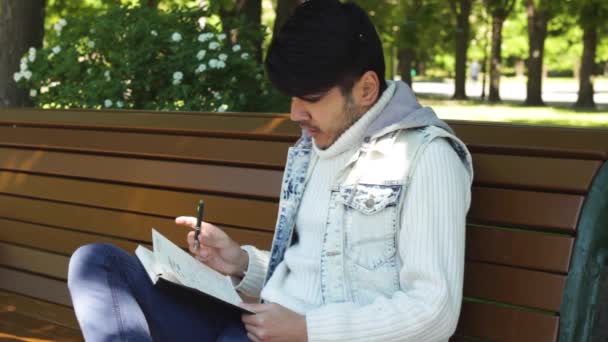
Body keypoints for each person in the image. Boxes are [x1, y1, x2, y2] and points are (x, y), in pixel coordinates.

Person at [67, 1, 473, 341]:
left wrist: (308, 329)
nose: (296, 113)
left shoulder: (426, 158)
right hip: (251, 326)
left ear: (366, 89)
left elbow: (433, 311)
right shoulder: (314, 147)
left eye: (310, 98)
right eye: (294, 96)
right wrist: (240, 264)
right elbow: (308, 270)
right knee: (97, 264)